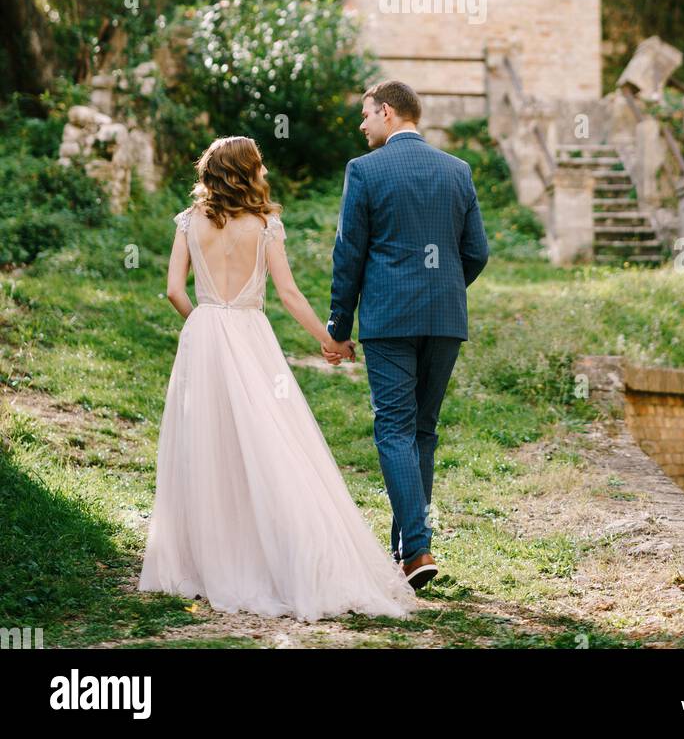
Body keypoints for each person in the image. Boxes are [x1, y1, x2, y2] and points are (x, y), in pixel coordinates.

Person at [137, 134, 419, 622]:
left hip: (203, 333)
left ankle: (203, 558)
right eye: (259, 165)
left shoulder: (187, 223)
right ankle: (270, 549)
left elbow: (171, 290)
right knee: (270, 435)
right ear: (246, 171)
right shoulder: (266, 226)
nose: (265, 171)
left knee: (205, 442)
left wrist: (201, 324)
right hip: (249, 333)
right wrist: (329, 340)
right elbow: (288, 294)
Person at [325, 80, 489, 590]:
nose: (362, 124)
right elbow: (477, 252)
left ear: (389, 113)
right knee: (421, 430)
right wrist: (443, 288)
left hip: (390, 320)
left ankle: (416, 548)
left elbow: (349, 254)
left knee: (395, 428)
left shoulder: (365, 171)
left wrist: (338, 326)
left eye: (367, 114)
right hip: (444, 319)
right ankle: (408, 550)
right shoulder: (458, 170)